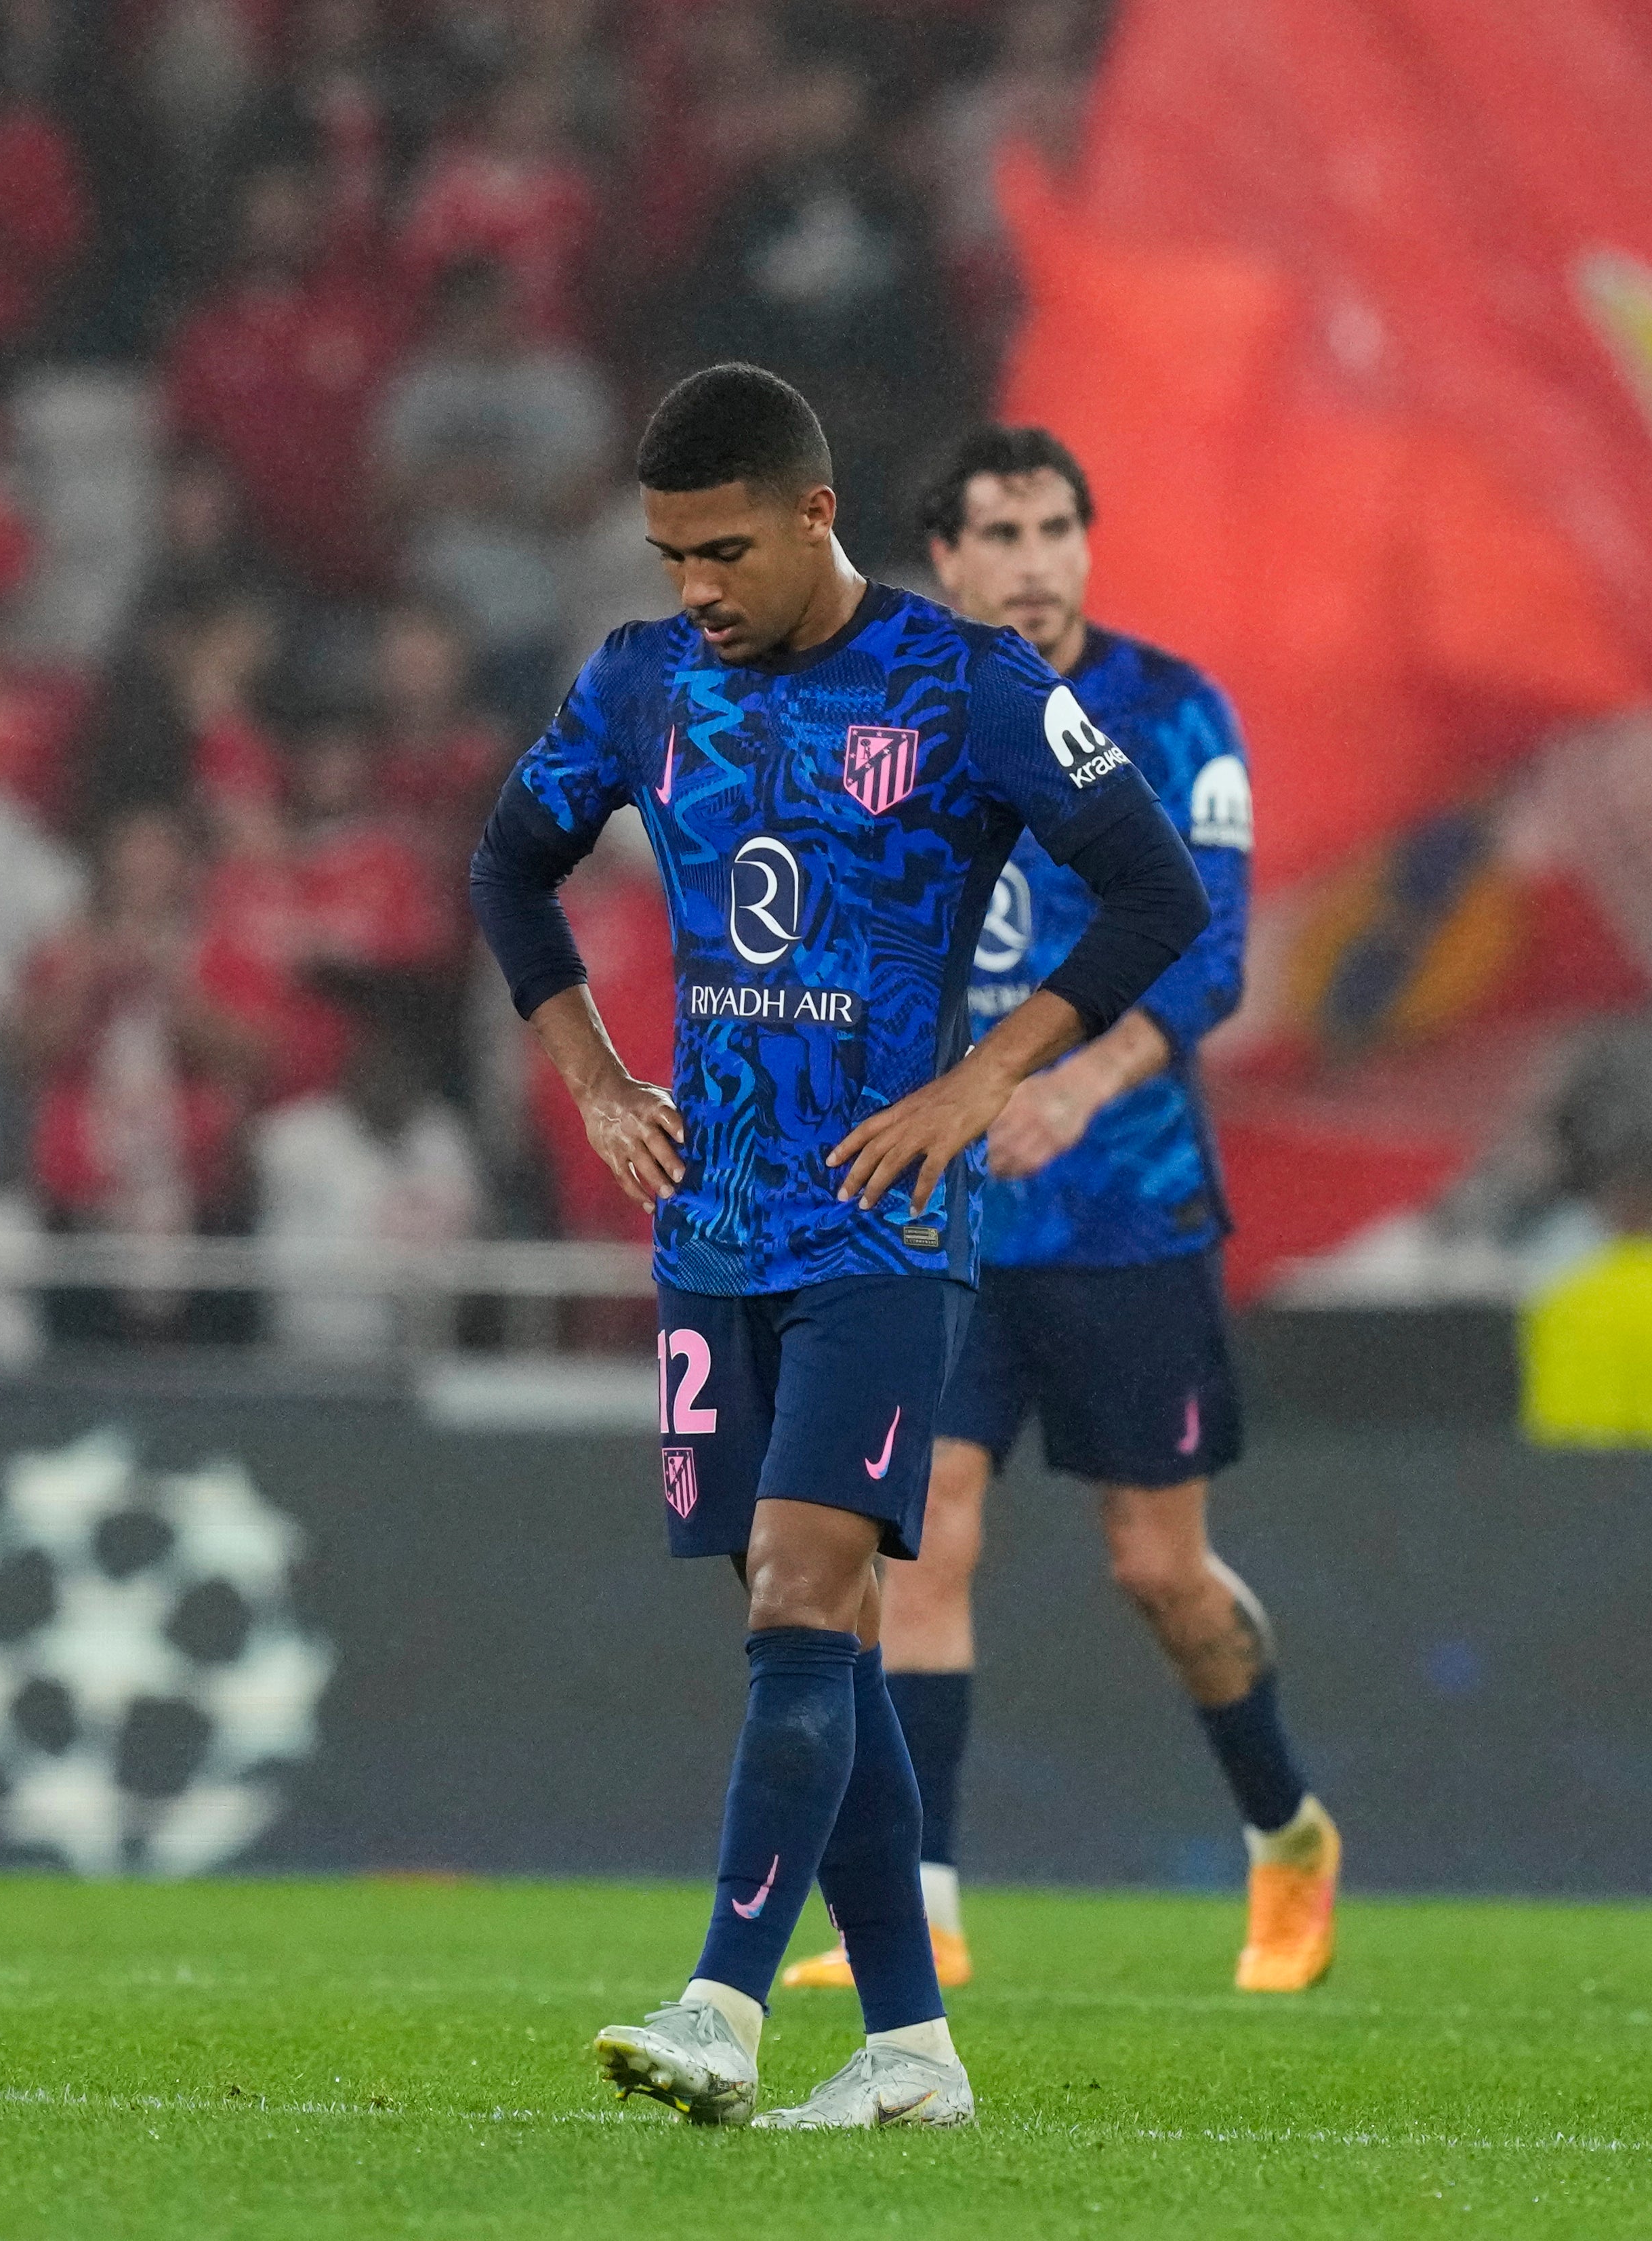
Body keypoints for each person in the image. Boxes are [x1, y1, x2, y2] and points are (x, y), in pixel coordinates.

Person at [470, 367, 1205, 2129]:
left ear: (814, 515)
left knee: (805, 1600)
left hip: (880, 1223)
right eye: (668, 555)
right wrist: (590, 1080)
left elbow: (1157, 891)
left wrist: (982, 1079)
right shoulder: (648, 683)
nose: (696, 587)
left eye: (723, 549)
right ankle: (912, 2051)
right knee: (822, 1638)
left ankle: (723, 2004)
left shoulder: (962, 683)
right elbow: (509, 866)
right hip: (710, 1223)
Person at [781, 426, 1332, 1998]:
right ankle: (926, 1910)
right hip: (946, 1219)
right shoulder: (891, 719)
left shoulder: (1172, 715)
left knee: (1155, 1569)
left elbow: (1210, 954)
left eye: (1051, 528)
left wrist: (1075, 1091)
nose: (1028, 559)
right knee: (925, 1531)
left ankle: (1284, 1830)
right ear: (940, 561)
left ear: (1086, 544)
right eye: (994, 534)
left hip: (1125, 1211)